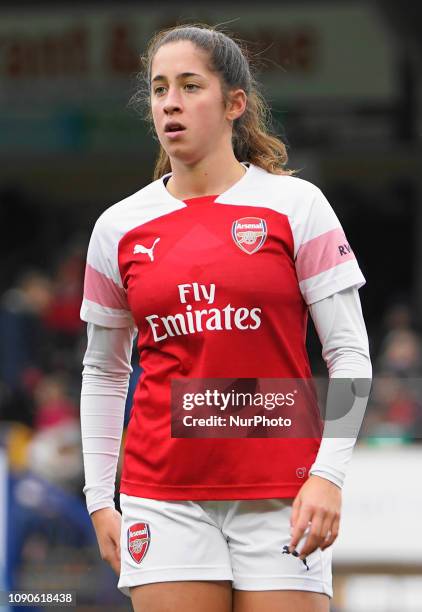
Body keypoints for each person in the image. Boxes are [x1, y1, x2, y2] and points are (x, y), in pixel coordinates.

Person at [79, 24, 372, 612]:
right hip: (161, 496)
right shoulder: (118, 227)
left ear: (235, 104)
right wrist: (98, 498)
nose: (171, 102)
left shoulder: (298, 206)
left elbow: (351, 355)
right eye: (160, 89)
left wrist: (329, 475)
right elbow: (103, 372)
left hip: (283, 492)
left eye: (190, 86)